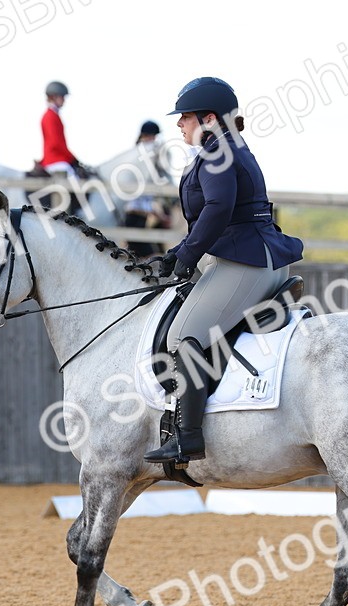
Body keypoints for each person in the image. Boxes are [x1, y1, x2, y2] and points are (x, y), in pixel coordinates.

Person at [142, 77, 304, 467]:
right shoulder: (222, 148)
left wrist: (186, 253)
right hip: (245, 255)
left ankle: (187, 438)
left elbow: (217, 209)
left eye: (186, 116)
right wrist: (180, 252)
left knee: (183, 334)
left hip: (244, 261)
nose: (180, 124)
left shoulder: (219, 151)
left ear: (209, 117)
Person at [123, 120, 171, 257]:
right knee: (148, 255)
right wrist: (160, 216)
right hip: (135, 215)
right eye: (152, 136)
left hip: (140, 216)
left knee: (141, 254)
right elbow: (139, 199)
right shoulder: (141, 159)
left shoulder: (145, 159)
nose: (154, 139)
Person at [39, 80, 85, 178]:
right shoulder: (50, 116)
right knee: (76, 182)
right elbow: (56, 143)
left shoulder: (53, 115)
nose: (64, 100)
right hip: (56, 160)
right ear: (54, 96)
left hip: (58, 159)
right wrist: (72, 158)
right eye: (62, 97)